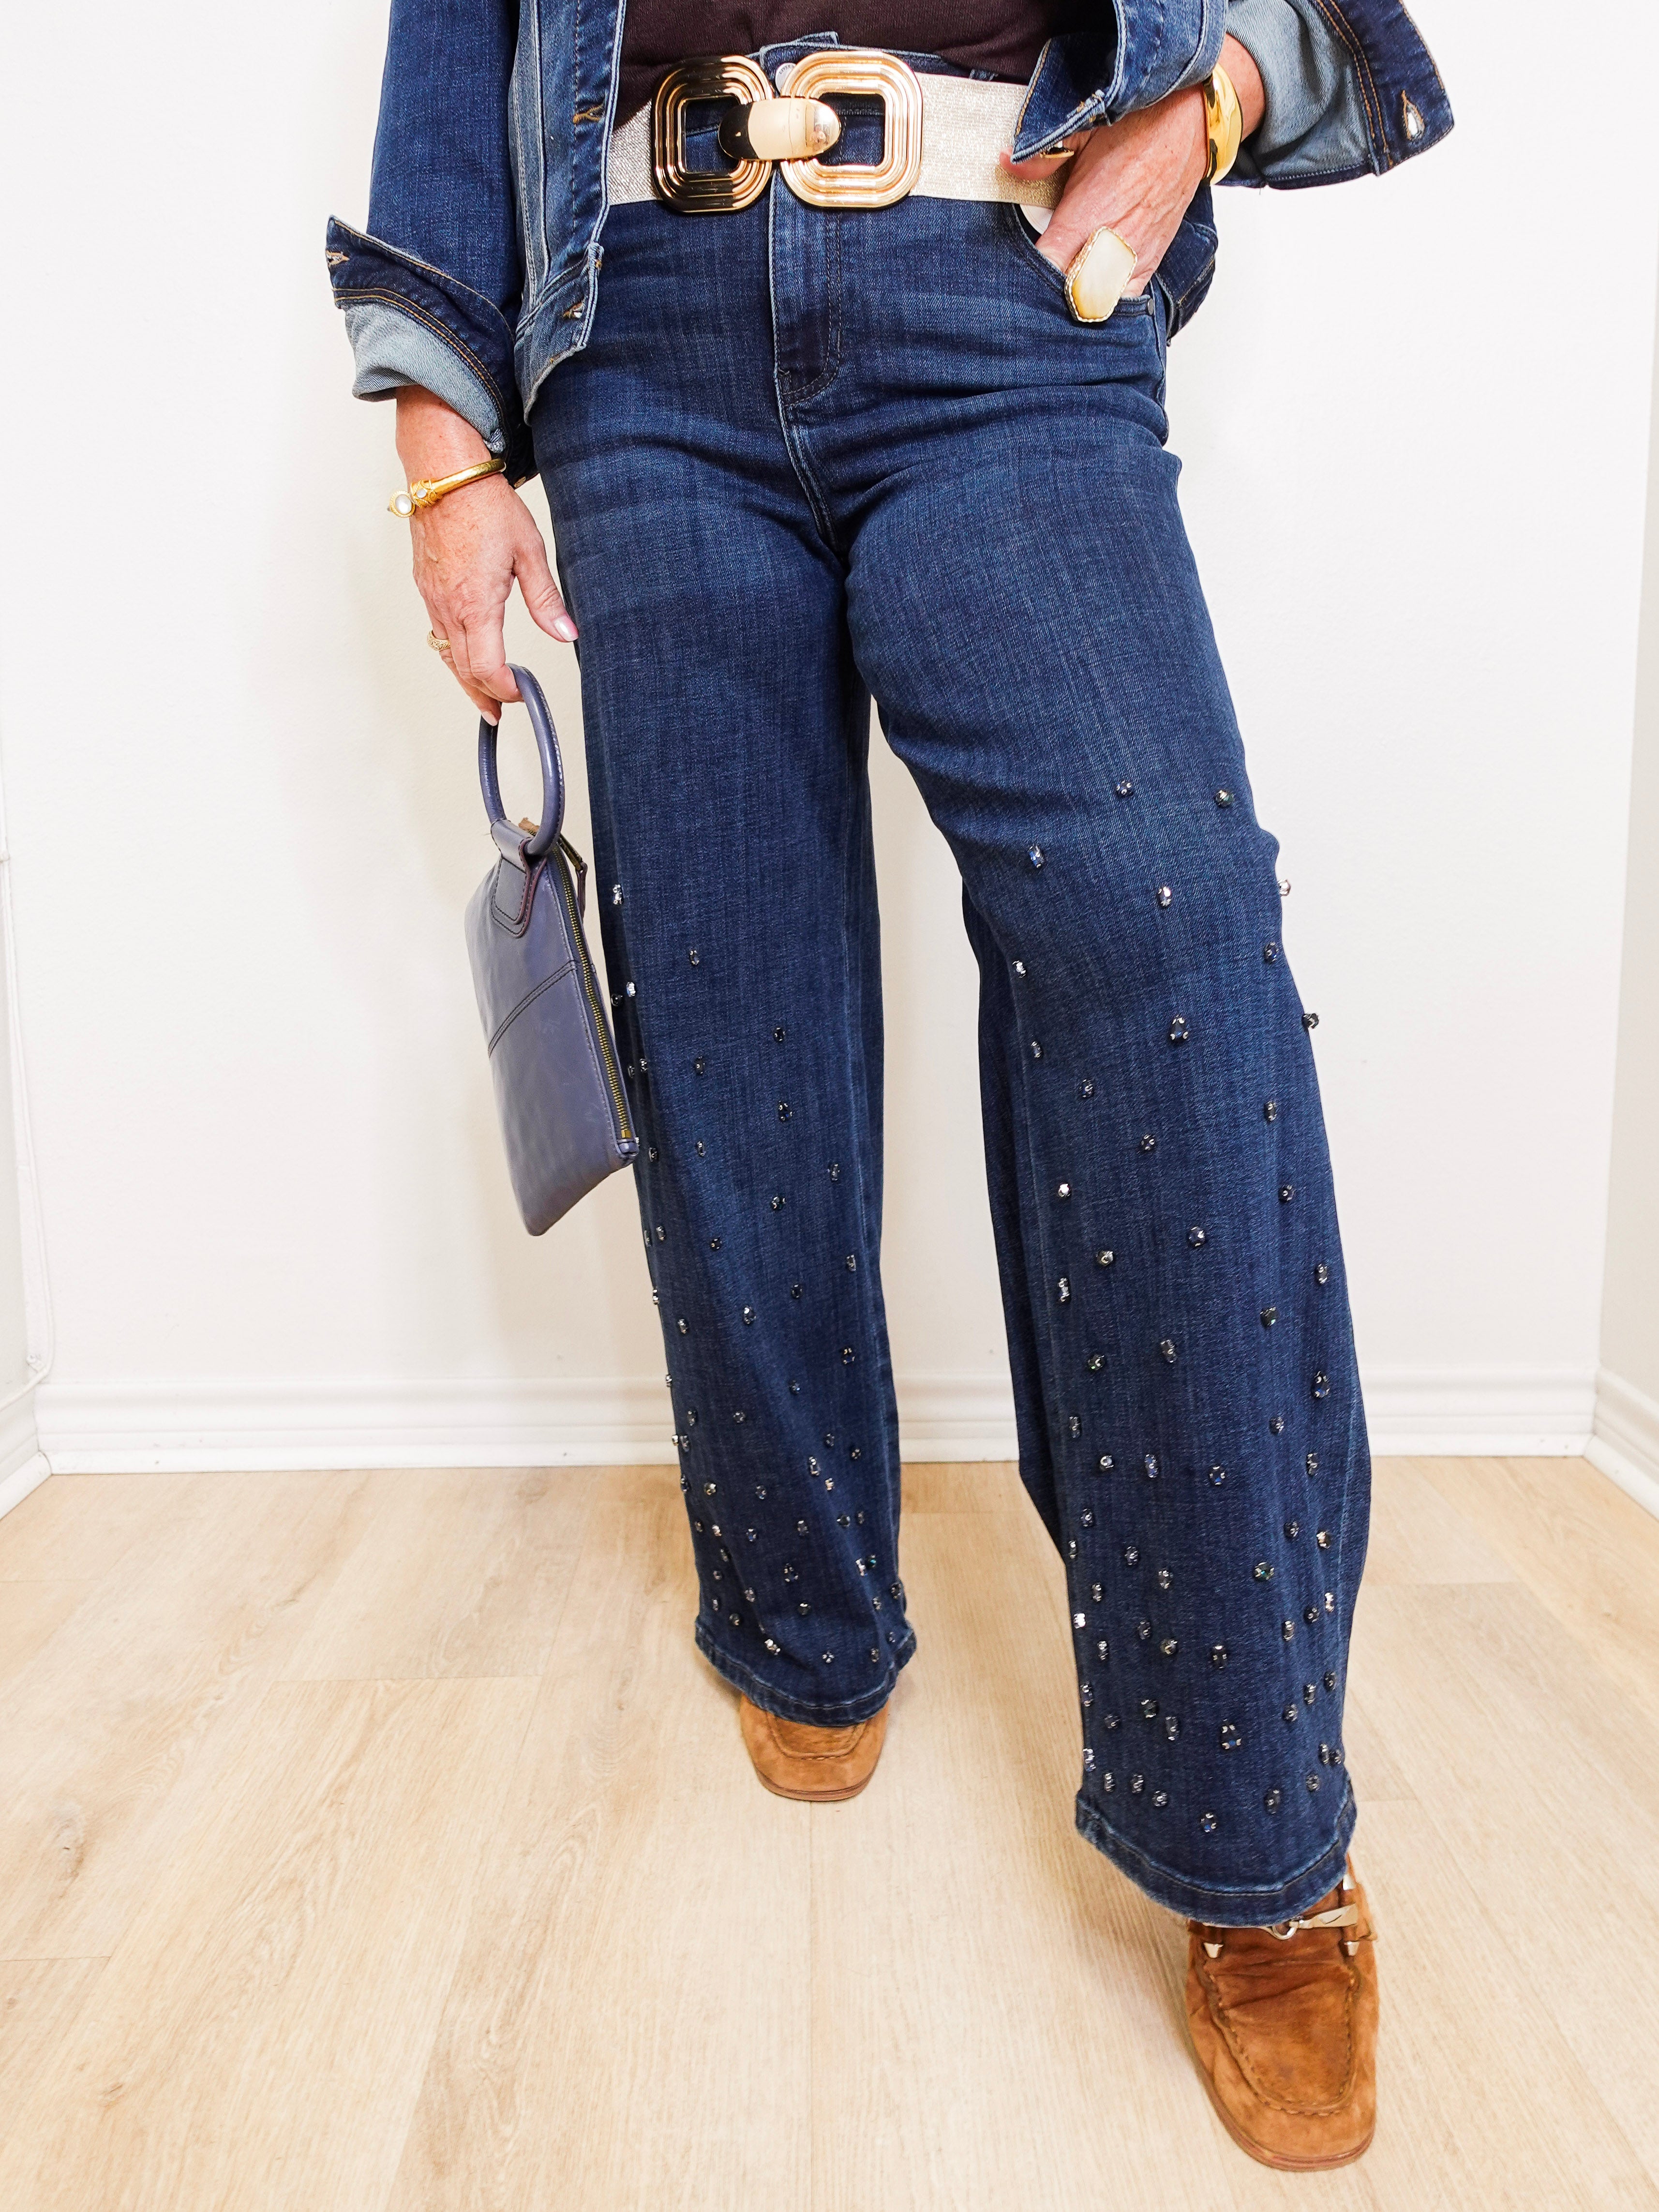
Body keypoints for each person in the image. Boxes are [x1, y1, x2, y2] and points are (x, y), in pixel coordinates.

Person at [328, 0, 1450, 2171]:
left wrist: (1204, 113)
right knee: (727, 997)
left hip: (997, 280)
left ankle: (1253, 1820)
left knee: (1162, 931)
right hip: (636, 323)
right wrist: (447, 449)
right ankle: (804, 1609)